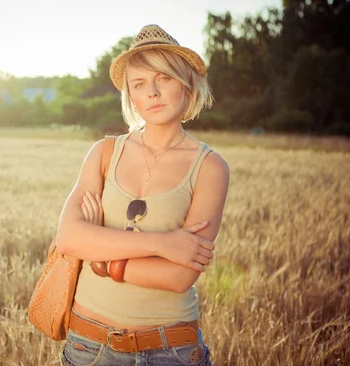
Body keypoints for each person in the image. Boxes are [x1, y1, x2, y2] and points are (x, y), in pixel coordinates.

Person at [55, 24, 230, 366]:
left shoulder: (210, 167)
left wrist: (100, 256)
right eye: (139, 84)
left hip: (170, 351)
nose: (152, 92)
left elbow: (179, 276)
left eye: (163, 78)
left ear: (186, 83)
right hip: (88, 346)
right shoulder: (103, 153)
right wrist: (162, 244)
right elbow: (68, 238)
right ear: (130, 96)